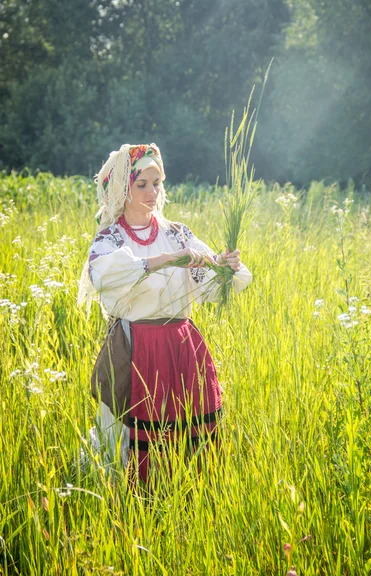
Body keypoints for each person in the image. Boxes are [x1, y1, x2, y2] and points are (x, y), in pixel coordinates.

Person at [79, 142, 252, 483]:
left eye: (156, 183)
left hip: (181, 344)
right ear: (121, 188)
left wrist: (226, 267)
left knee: (188, 428)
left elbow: (211, 289)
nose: (152, 191)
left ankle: (190, 496)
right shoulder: (111, 239)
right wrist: (164, 260)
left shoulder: (177, 233)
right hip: (135, 346)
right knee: (127, 431)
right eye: (141, 184)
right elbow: (104, 275)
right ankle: (131, 499)